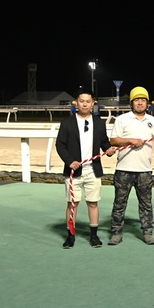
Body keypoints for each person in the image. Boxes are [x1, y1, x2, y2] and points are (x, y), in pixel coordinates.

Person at [107, 86, 154, 245]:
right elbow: (113, 140)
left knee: (146, 204)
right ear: (131, 102)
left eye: (143, 100)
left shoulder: (152, 121)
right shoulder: (122, 119)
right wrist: (131, 140)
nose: (140, 103)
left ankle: (147, 232)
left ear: (147, 103)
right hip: (123, 170)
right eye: (137, 100)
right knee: (119, 204)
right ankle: (116, 233)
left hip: (144, 171)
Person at [56, 88, 116, 249]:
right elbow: (60, 145)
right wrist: (70, 161)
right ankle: (70, 236)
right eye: (81, 101)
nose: (84, 104)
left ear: (93, 103)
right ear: (76, 102)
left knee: (93, 203)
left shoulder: (99, 123)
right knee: (72, 204)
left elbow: (104, 142)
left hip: (93, 170)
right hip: (73, 171)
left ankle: (94, 236)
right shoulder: (66, 123)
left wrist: (109, 150)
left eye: (88, 101)